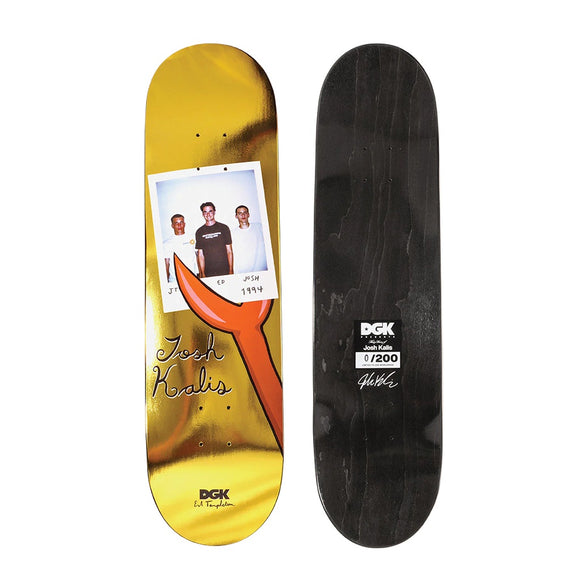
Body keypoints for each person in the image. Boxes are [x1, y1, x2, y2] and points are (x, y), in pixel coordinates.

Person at [195, 202, 233, 278]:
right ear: (202, 214)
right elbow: (200, 255)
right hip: (208, 272)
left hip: (225, 270)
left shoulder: (224, 228)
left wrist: (231, 270)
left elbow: (229, 251)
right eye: (205, 212)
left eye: (210, 211)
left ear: (214, 212)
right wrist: (202, 273)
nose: (208, 214)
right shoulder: (199, 232)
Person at [231, 205, 267, 274]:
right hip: (242, 272)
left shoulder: (260, 227)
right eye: (240, 213)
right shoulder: (232, 233)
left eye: (245, 212)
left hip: (261, 271)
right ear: (236, 216)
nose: (243, 215)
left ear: (248, 214)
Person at [164, 213, 197, 283]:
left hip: (192, 279)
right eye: (176, 223)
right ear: (172, 226)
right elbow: (166, 264)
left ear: (184, 224)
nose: (179, 225)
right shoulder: (167, 243)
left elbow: (198, 257)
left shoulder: (193, 238)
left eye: (181, 222)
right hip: (175, 281)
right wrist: (165, 282)